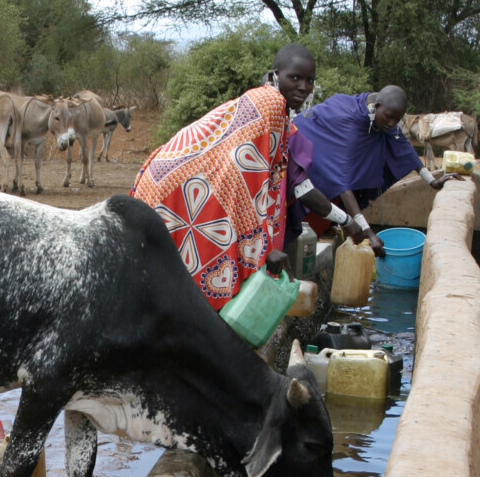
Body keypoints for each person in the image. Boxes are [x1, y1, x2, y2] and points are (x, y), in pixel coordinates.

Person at [130, 44, 364, 307]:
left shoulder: (272, 106)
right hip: (176, 188)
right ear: (275, 75)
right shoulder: (271, 104)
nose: (303, 86)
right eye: (295, 78)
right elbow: (248, 181)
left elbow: (254, 178)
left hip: (169, 179)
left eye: (309, 80)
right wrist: (264, 249)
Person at [292, 85, 452, 258]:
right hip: (307, 148)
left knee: (335, 209)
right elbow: (342, 181)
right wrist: (367, 231)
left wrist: (432, 181)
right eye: (389, 118)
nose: (392, 124)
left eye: (397, 120)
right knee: (312, 208)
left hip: (335, 168)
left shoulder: (382, 115)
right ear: (376, 106)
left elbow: (403, 148)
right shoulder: (351, 123)